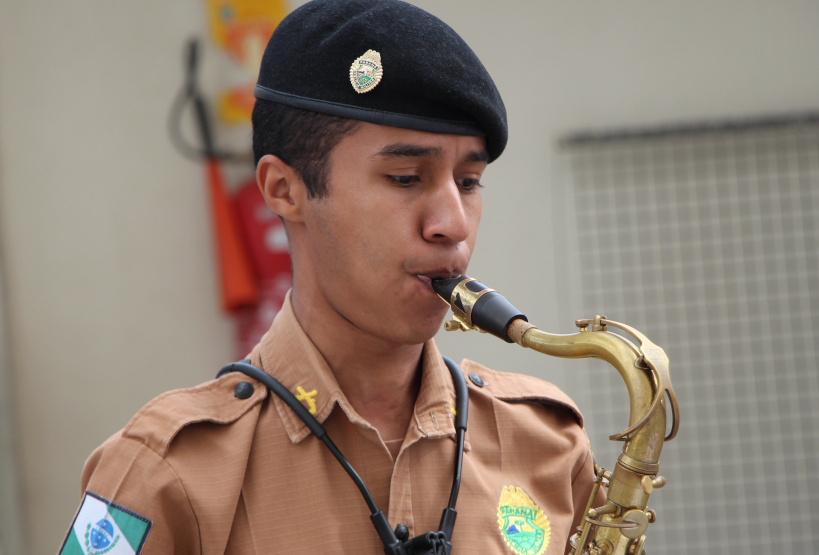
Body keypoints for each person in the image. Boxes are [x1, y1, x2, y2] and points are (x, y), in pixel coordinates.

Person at [59, 1, 597, 553]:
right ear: (283, 190)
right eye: (406, 177)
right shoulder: (162, 473)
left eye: (469, 181)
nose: (453, 225)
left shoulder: (547, 443)